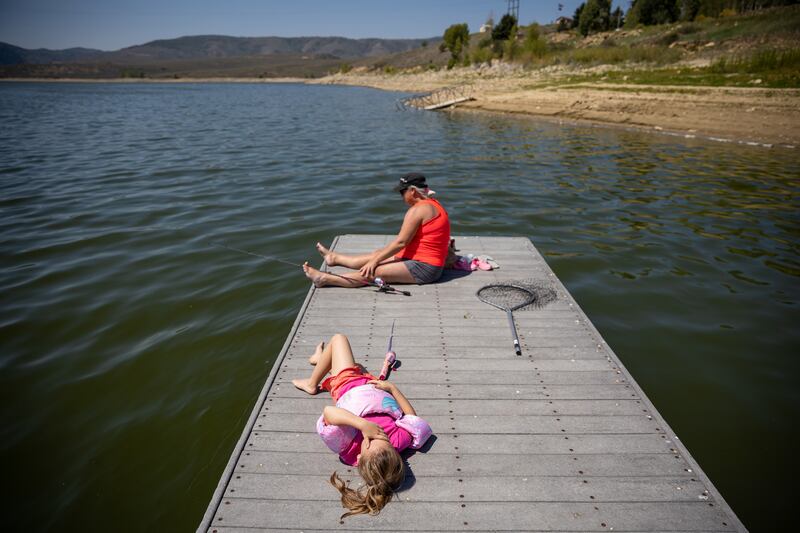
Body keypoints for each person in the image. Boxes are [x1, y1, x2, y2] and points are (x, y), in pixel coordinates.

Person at [292, 334, 432, 520]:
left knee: (338, 340)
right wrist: (392, 389)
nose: (377, 434)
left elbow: (328, 413)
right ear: (395, 452)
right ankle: (321, 360)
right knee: (355, 365)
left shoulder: (349, 448)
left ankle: (311, 384)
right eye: (383, 438)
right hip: (369, 382)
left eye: (371, 439)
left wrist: (363, 425)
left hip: (347, 384)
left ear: (359, 457)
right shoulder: (399, 441)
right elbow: (412, 418)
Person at [303, 173, 450, 287]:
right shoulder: (432, 203)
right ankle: (334, 259)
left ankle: (323, 279)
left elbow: (401, 242)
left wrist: (375, 262)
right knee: (377, 254)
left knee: (375, 271)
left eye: (402, 192)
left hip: (426, 268)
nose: (401, 196)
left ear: (412, 191)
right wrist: (377, 257)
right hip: (417, 257)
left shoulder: (418, 210)